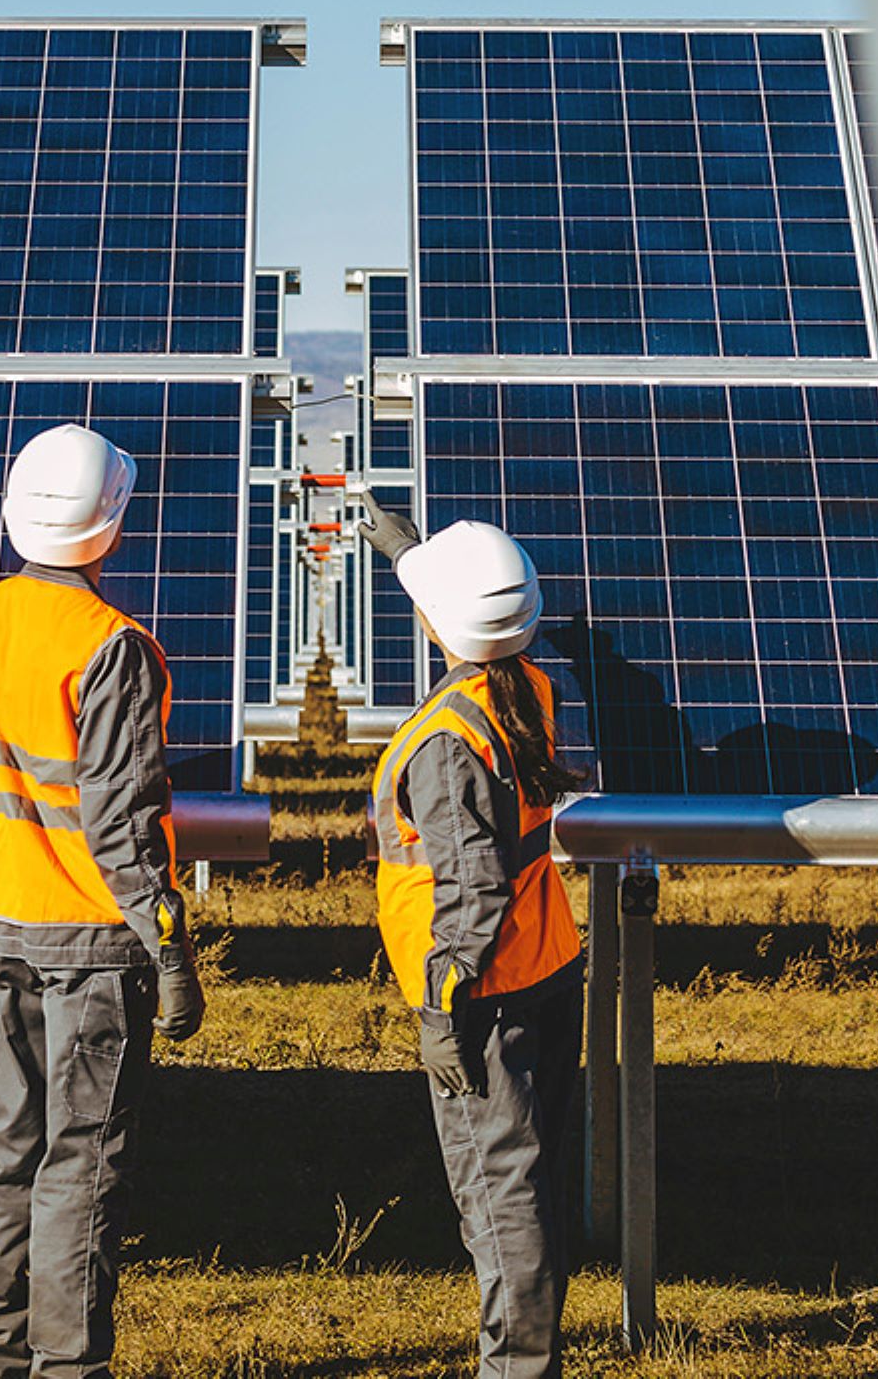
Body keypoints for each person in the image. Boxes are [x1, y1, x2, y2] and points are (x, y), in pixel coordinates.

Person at [0, 422, 209, 1379]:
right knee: (79, 1167)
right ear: (111, 526)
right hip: (91, 943)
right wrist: (170, 954)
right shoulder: (113, 647)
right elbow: (124, 827)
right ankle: (67, 1369)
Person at [358, 497, 586, 1379]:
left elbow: (470, 891)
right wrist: (412, 554)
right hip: (547, 968)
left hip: (483, 995)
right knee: (529, 1179)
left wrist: (440, 1009)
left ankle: (517, 1368)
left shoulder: (445, 742)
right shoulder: (523, 685)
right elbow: (474, 620)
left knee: (500, 1194)